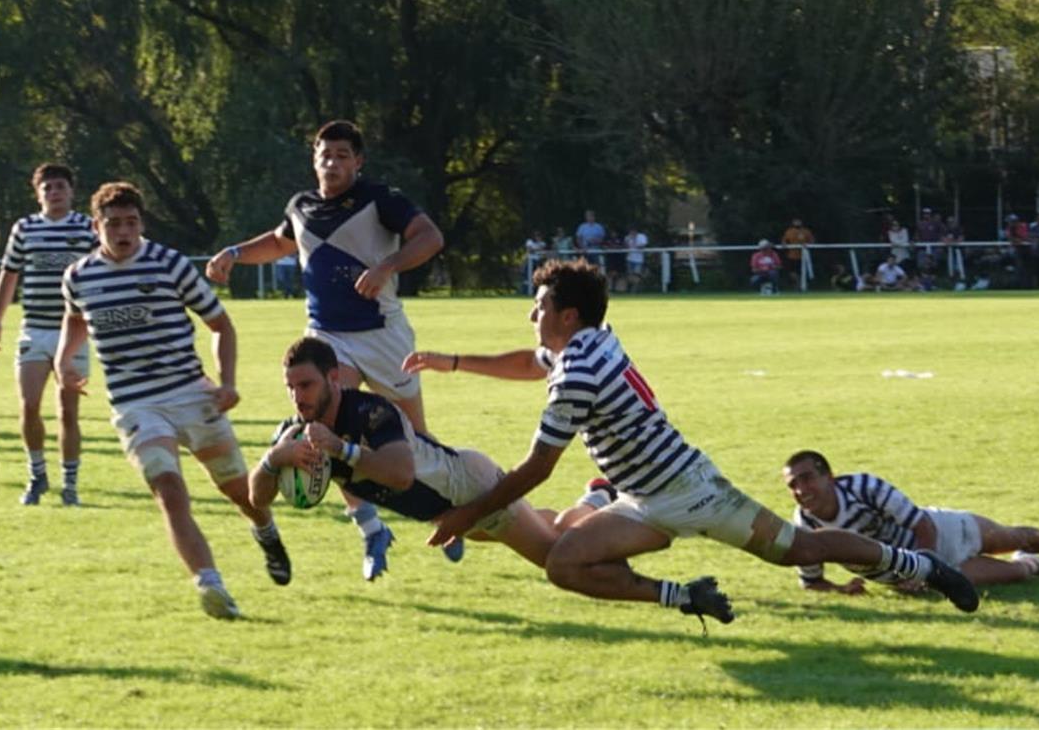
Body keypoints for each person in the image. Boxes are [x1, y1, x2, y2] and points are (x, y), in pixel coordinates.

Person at [401, 259, 979, 627]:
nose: (532, 313)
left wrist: (468, 513)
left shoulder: (579, 373)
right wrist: (452, 362)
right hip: (643, 499)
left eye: (541, 306)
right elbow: (534, 362)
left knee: (802, 550)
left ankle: (918, 565)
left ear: (568, 314)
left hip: (693, 492)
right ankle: (687, 597)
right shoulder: (594, 339)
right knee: (565, 562)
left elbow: (536, 468)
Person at [203, 119, 458, 578]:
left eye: (343, 155)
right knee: (324, 423)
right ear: (314, 159)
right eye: (325, 154)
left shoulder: (380, 199)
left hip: (383, 334)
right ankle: (370, 527)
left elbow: (431, 237)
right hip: (326, 338)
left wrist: (388, 265)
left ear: (358, 162)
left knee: (415, 439)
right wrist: (235, 253)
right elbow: (281, 242)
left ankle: (447, 512)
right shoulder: (300, 207)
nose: (333, 162)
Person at [57, 181, 286, 619]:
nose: (123, 232)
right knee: (168, 488)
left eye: (131, 223)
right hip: (134, 404)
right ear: (95, 226)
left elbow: (221, 325)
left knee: (239, 491)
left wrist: (228, 382)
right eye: (113, 224)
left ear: (141, 223)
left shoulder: (170, 264)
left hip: (191, 394)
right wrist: (65, 360)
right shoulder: (78, 276)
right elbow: (75, 319)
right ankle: (210, 583)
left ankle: (265, 528)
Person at [251, 337, 564, 579]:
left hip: (469, 488)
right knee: (550, 528)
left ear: (333, 377)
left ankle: (604, 523)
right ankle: (595, 499)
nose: (297, 397)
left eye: (306, 385)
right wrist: (274, 459)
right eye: (290, 387)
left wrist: (341, 449)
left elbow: (401, 474)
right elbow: (258, 498)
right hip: (445, 514)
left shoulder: (370, 411)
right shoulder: (296, 433)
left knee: (556, 558)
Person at [782, 450, 1039, 594]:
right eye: (793, 485)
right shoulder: (805, 527)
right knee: (1017, 575)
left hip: (943, 534)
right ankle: (1033, 564)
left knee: (1017, 535)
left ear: (830, 476)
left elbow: (922, 526)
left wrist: (923, 570)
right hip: (920, 577)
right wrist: (844, 590)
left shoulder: (864, 487)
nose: (801, 489)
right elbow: (811, 582)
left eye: (807, 478)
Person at [0, 164, 97, 506]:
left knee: (68, 410)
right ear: (38, 193)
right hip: (34, 328)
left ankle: (70, 484)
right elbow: (9, 274)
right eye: (47, 187)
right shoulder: (25, 228)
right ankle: (37, 476)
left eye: (60, 186)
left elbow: (104, 266)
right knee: (29, 405)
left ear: (71, 191)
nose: (54, 192)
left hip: (73, 331)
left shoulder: (86, 226)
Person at [780, 218, 815, 288]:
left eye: (798, 222)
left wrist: (807, 244)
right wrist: (784, 244)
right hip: (792, 255)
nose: (797, 223)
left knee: (802, 271)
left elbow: (811, 241)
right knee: (791, 272)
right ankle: (797, 284)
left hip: (803, 256)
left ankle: (803, 285)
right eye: (795, 222)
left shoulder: (806, 231)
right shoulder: (789, 231)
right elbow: (784, 240)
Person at [624, 226, 648, 293]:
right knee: (630, 275)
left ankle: (635, 290)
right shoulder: (627, 237)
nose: (632, 232)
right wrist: (629, 241)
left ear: (636, 231)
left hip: (639, 260)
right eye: (630, 231)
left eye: (633, 231)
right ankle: (632, 289)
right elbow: (626, 247)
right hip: (629, 259)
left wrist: (635, 243)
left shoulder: (642, 236)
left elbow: (642, 246)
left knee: (637, 275)